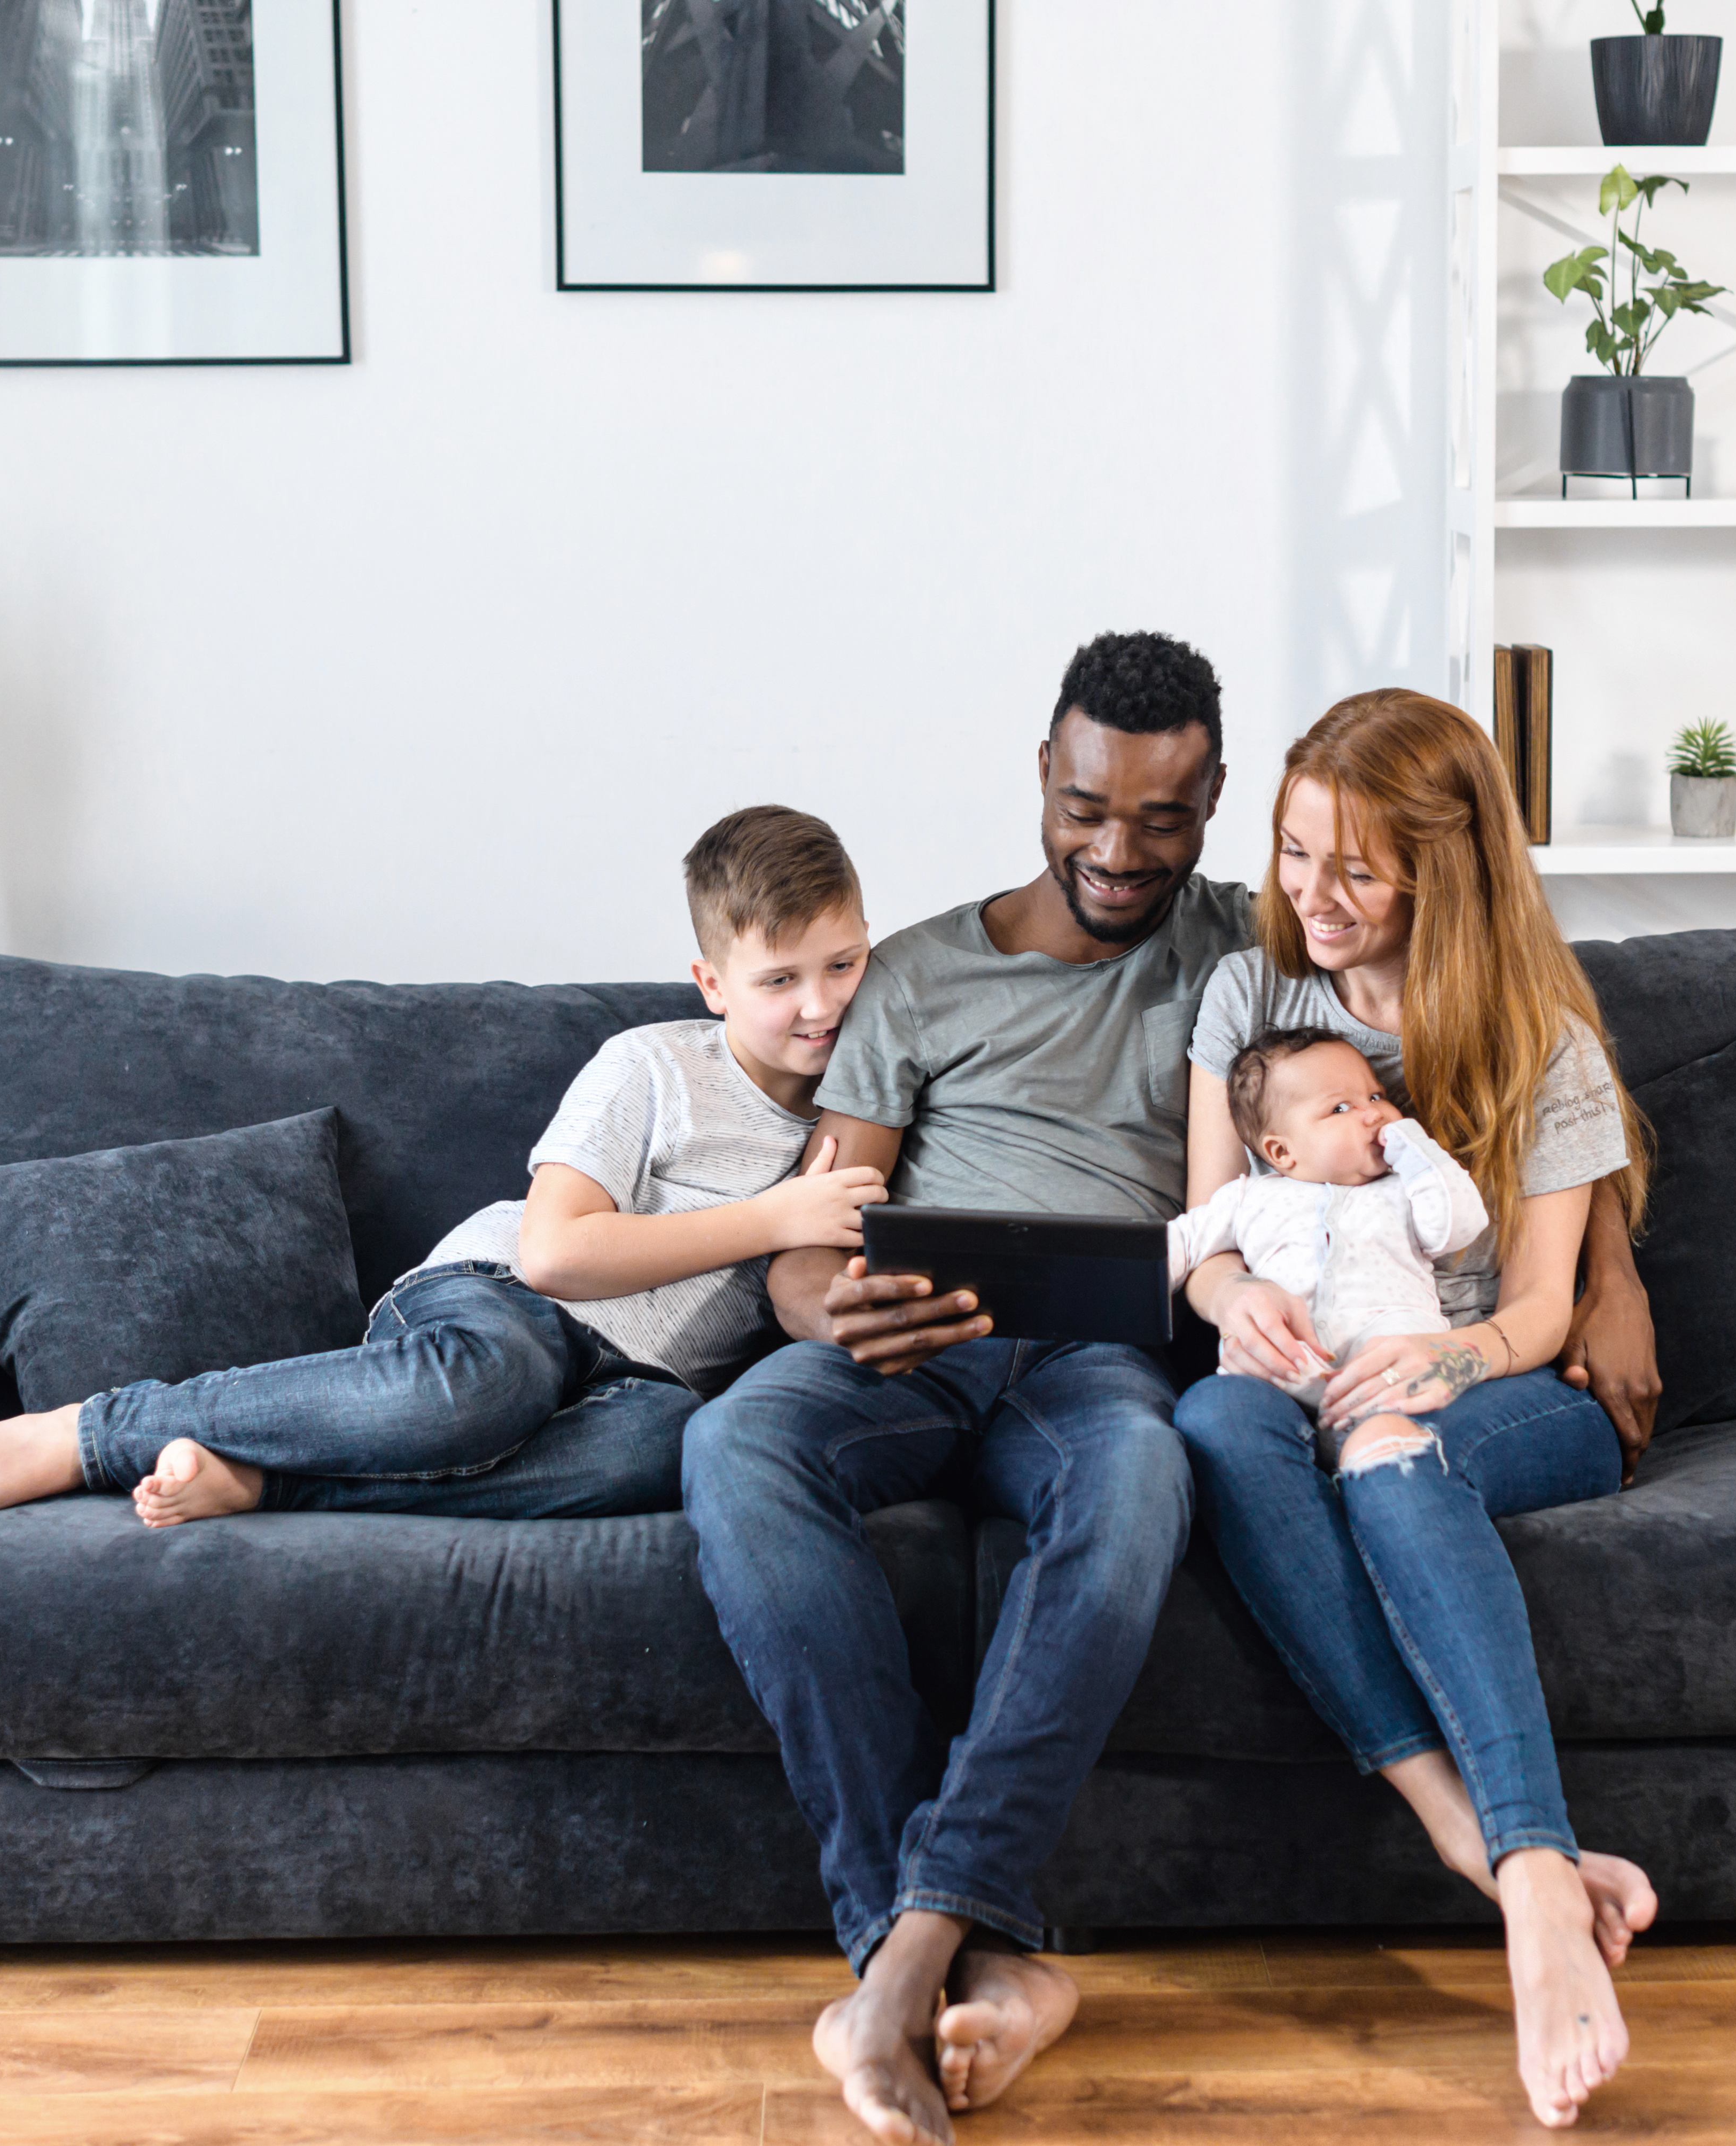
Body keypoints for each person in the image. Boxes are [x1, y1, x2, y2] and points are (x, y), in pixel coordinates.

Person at [682, 631, 1252, 2146]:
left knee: (1141, 1484)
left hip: (1100, 1361)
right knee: (736, 1446)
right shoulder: (922, 972)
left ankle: (900, 1964)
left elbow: (1479, 980)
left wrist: (1593, 1279)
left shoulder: (1248, 954)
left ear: (1214, 800)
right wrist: (831, 1302)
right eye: (1083, 809)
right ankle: (926, 1949)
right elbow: (816, 1228)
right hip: (915, 1346)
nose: (1115, 851)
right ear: (1040, 779)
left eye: (1160, 819)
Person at [1173, 689, 1664, 2132]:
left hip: (1499, 1393)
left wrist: (1434, 1374)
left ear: (1439, 870)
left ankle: (1526, 1883)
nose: (1308, 899)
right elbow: (1204, 1231)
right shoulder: (1247, 1005)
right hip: (1298, 1379)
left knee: (1386, 1461)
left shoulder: (1539, 1042)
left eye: (1354, 870)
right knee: (1215, 1429)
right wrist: (1222, 1303)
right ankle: (1476, 1844)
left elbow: (1533, 1313)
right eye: (1288, 853)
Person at [0, 805, 882, 1524]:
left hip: (640, 1384)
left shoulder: (878, 1098)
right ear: (711, 984)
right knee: (491, 1383)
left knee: (667, 1450)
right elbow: (554, 1253)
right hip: (504, 1303)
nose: (820, 1004)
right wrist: (775, 1219)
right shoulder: (655, 1065)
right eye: (779, 980)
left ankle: (264, 1480)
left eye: (842, 965)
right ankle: (96, 1430)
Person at [1164, 1027, 1491, 1438]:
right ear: (1281, 1152)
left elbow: (1459, 1226)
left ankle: (1377, 1446)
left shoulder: (1407, 1188)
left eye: (1375, 1097)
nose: (1374, 1113)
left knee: (1396, 1367)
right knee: (1243, 1377)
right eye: (1340, 1109)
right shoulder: (1249, 1197)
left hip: (1389, 1363)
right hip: (1289, 1363)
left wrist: (1416, 1148)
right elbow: (1179, 1245)